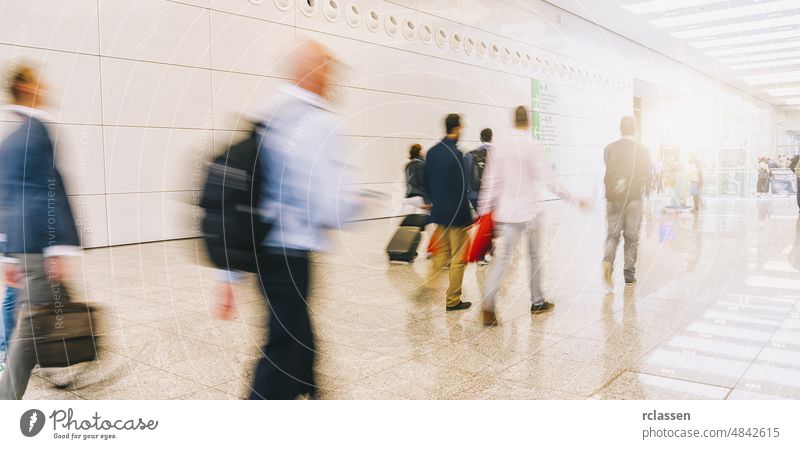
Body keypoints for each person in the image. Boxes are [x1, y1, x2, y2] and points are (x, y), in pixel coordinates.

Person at [216, 40, 361, 400]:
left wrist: (230, 274)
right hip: (291, 250)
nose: (332, 79)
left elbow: (248, 187)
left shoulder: (269, 111)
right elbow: (324, 201)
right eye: (327, 69)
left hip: (264, 245)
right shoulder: (318, 122)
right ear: (311, 73)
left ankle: (310, 389)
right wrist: (356, 206)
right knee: (283, 343)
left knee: (295, 327)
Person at [0, 64, 81, 399]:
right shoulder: (38, 130)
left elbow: (5, 196)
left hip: (18, 241)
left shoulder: (10, 138)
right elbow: (51, 190)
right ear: (25, 87)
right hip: (36, 240)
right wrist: (58, 247)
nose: (45, 88)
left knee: (30, 305)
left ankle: (41, 358)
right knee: (33, 325)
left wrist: (5, 251)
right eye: (38, 83)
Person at [478, 106, 588, 325]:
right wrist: (573, 199)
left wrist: (482, 211)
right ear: (528, 123)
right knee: (536, 257)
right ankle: (537, 302)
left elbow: (490, 181)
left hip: (506, 213)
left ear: (513, 122)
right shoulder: (533, 146)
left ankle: (488, 304)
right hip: (530, 213)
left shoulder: (500, 147)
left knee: (502, 260)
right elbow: (549, 180)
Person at [423, 114, 472, 311]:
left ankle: (427, 286)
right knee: (458, 258)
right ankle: (453, 300)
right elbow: (461, 188)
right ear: (457, 129)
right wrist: (467, 217)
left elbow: (425, 180)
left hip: (439, 212)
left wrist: (431, 202)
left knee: (442, 254)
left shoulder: (432, 152)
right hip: (456, 214)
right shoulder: (456, 153)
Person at [602, 116, 652, 288]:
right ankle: (629, 274)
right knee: (631, 237)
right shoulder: (642, 150)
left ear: (621, 129)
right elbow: (647, 174)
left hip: (614, 198)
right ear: (634, 130)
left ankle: (607, 261)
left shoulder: (608, 149)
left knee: (612, 236)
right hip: (634, 199)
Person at [464, 128, 492, 211]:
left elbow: (465, 176)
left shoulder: (469, 155)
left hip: (475, 196)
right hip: (492, 196)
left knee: (480, 220)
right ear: (491, 138)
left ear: (480, 139)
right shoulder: (498, 153)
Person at [402, 143, 429, 213]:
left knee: (410, 221)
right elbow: (423, 183)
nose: (424, 152)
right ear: (419, 152)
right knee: (428, 221)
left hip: (408, 197)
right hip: (419, 198)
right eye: (422, 150)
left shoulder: (407, 165)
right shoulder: (421, 165)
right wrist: (427, 201)